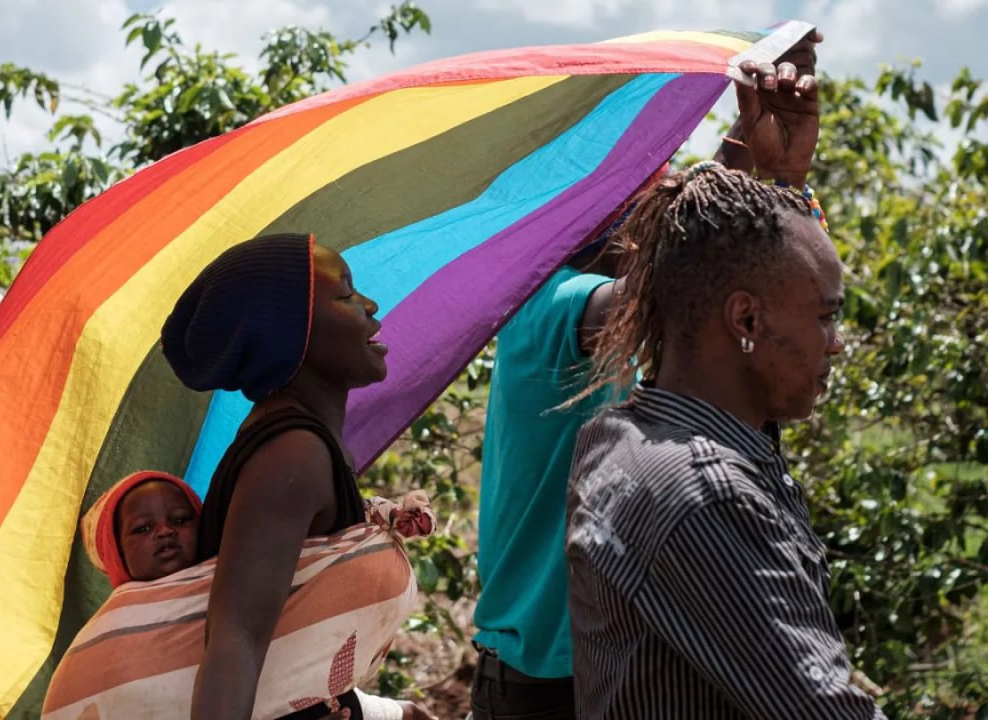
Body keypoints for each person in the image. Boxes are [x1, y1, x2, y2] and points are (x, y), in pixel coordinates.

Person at [470, 31, 825, 720]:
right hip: (541, 686)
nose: (661, 202)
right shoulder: (548, 309)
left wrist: (765, 152)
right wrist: (777, 183)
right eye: (649, 195)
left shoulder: (620, 296)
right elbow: (676, 286)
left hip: (617, 664)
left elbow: (684, 256)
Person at [563, 129, 884, 719]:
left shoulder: (624, 435)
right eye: (826, 317)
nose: (836, 345)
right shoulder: (706, 497)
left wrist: (788, 184)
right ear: (746, 320)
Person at [159, 233, 436, 720]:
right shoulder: (292, 453)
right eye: (346, 294)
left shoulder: (303, 444)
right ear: (291, 334)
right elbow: (234, 644)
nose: (370, 304)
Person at [42, 470, 433, 720]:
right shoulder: (104, 646)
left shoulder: (246, 582)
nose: (165, 532)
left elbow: (291, 667)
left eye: (181, 520)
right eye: (142, 529)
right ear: (117, 554)